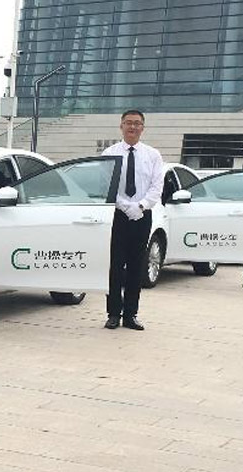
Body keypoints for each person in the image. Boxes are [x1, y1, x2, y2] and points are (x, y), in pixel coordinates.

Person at [98, 110, 162, 331]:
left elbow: (156, 187)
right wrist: (125, 206)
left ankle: (131, 315)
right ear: (121, 126)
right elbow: (105, 184)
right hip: (117, 215)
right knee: (116, 265)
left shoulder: (153, 155)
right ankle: (113, 313)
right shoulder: (110, 153)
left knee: (136, 266)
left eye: (137, 123)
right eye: (128, 123)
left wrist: (141, 206)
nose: (132, 127)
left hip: (142, 215)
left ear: (142, 128)